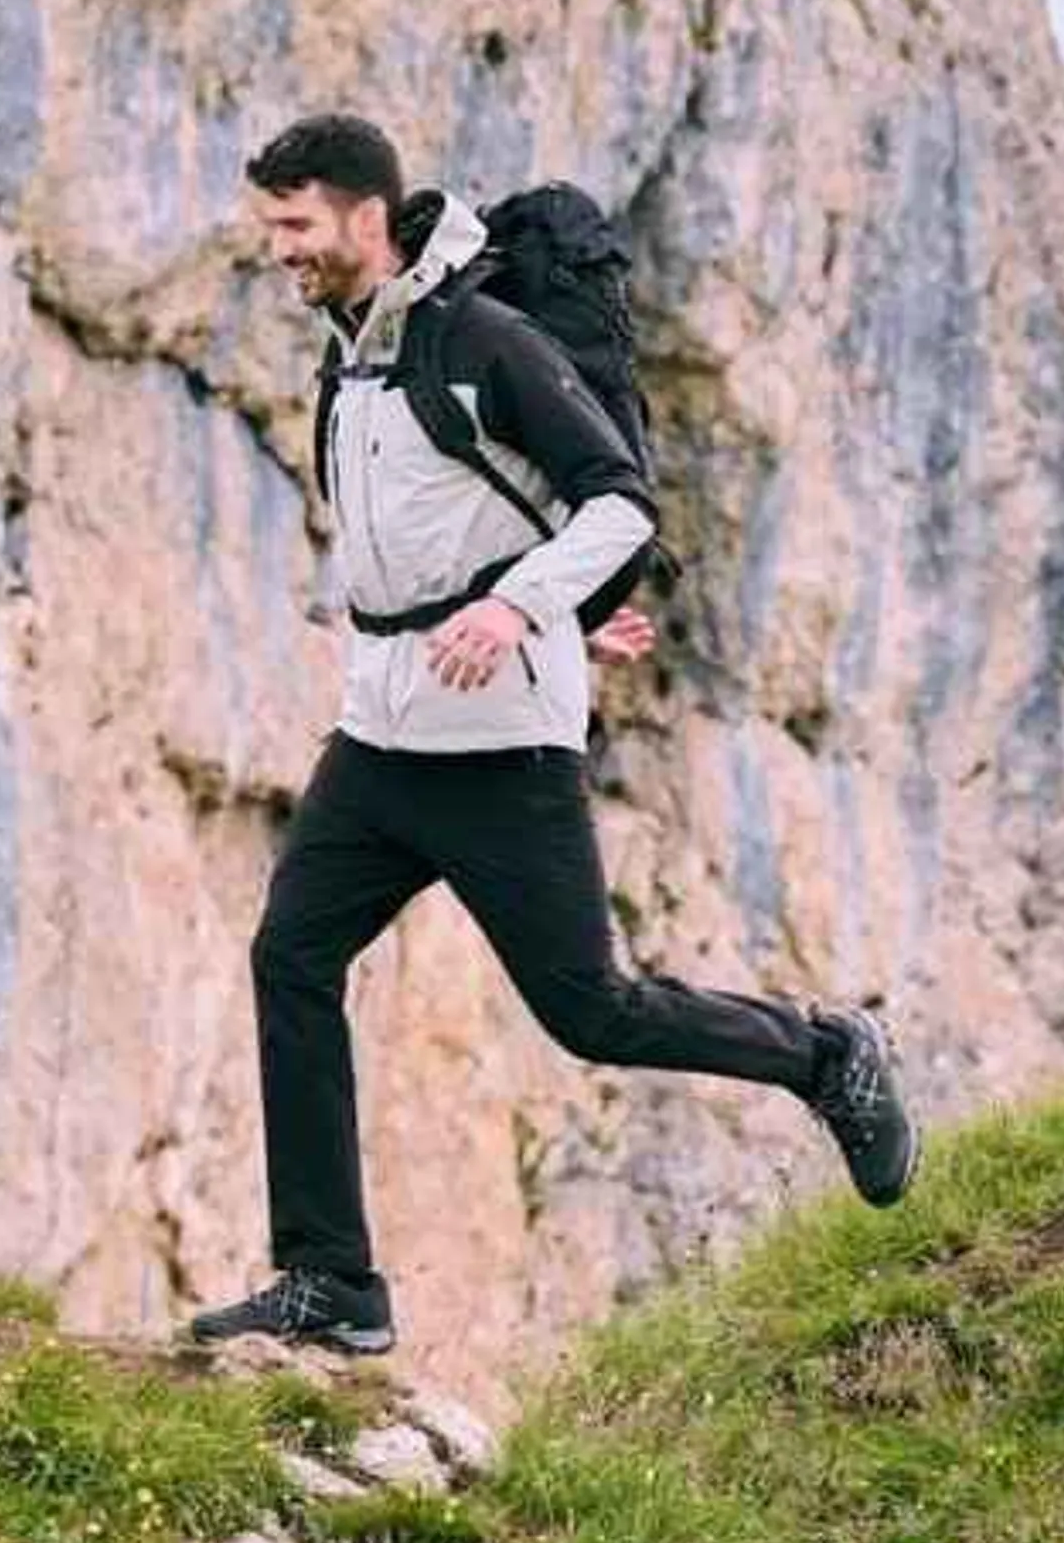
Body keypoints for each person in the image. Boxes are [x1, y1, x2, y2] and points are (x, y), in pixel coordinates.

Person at [186, 113, 917, 1356]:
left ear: (369, 215)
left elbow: (619, 503)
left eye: (297, 226)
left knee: (593, 1011)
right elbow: (443, 521)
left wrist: (520, 608)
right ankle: (333, 1281)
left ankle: (825, 1052)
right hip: (378, 741)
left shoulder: (482, 340)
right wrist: (551, 602)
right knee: (291, 961)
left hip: (499, 752)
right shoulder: (353, 354)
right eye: (272, 228)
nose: (281, 251)